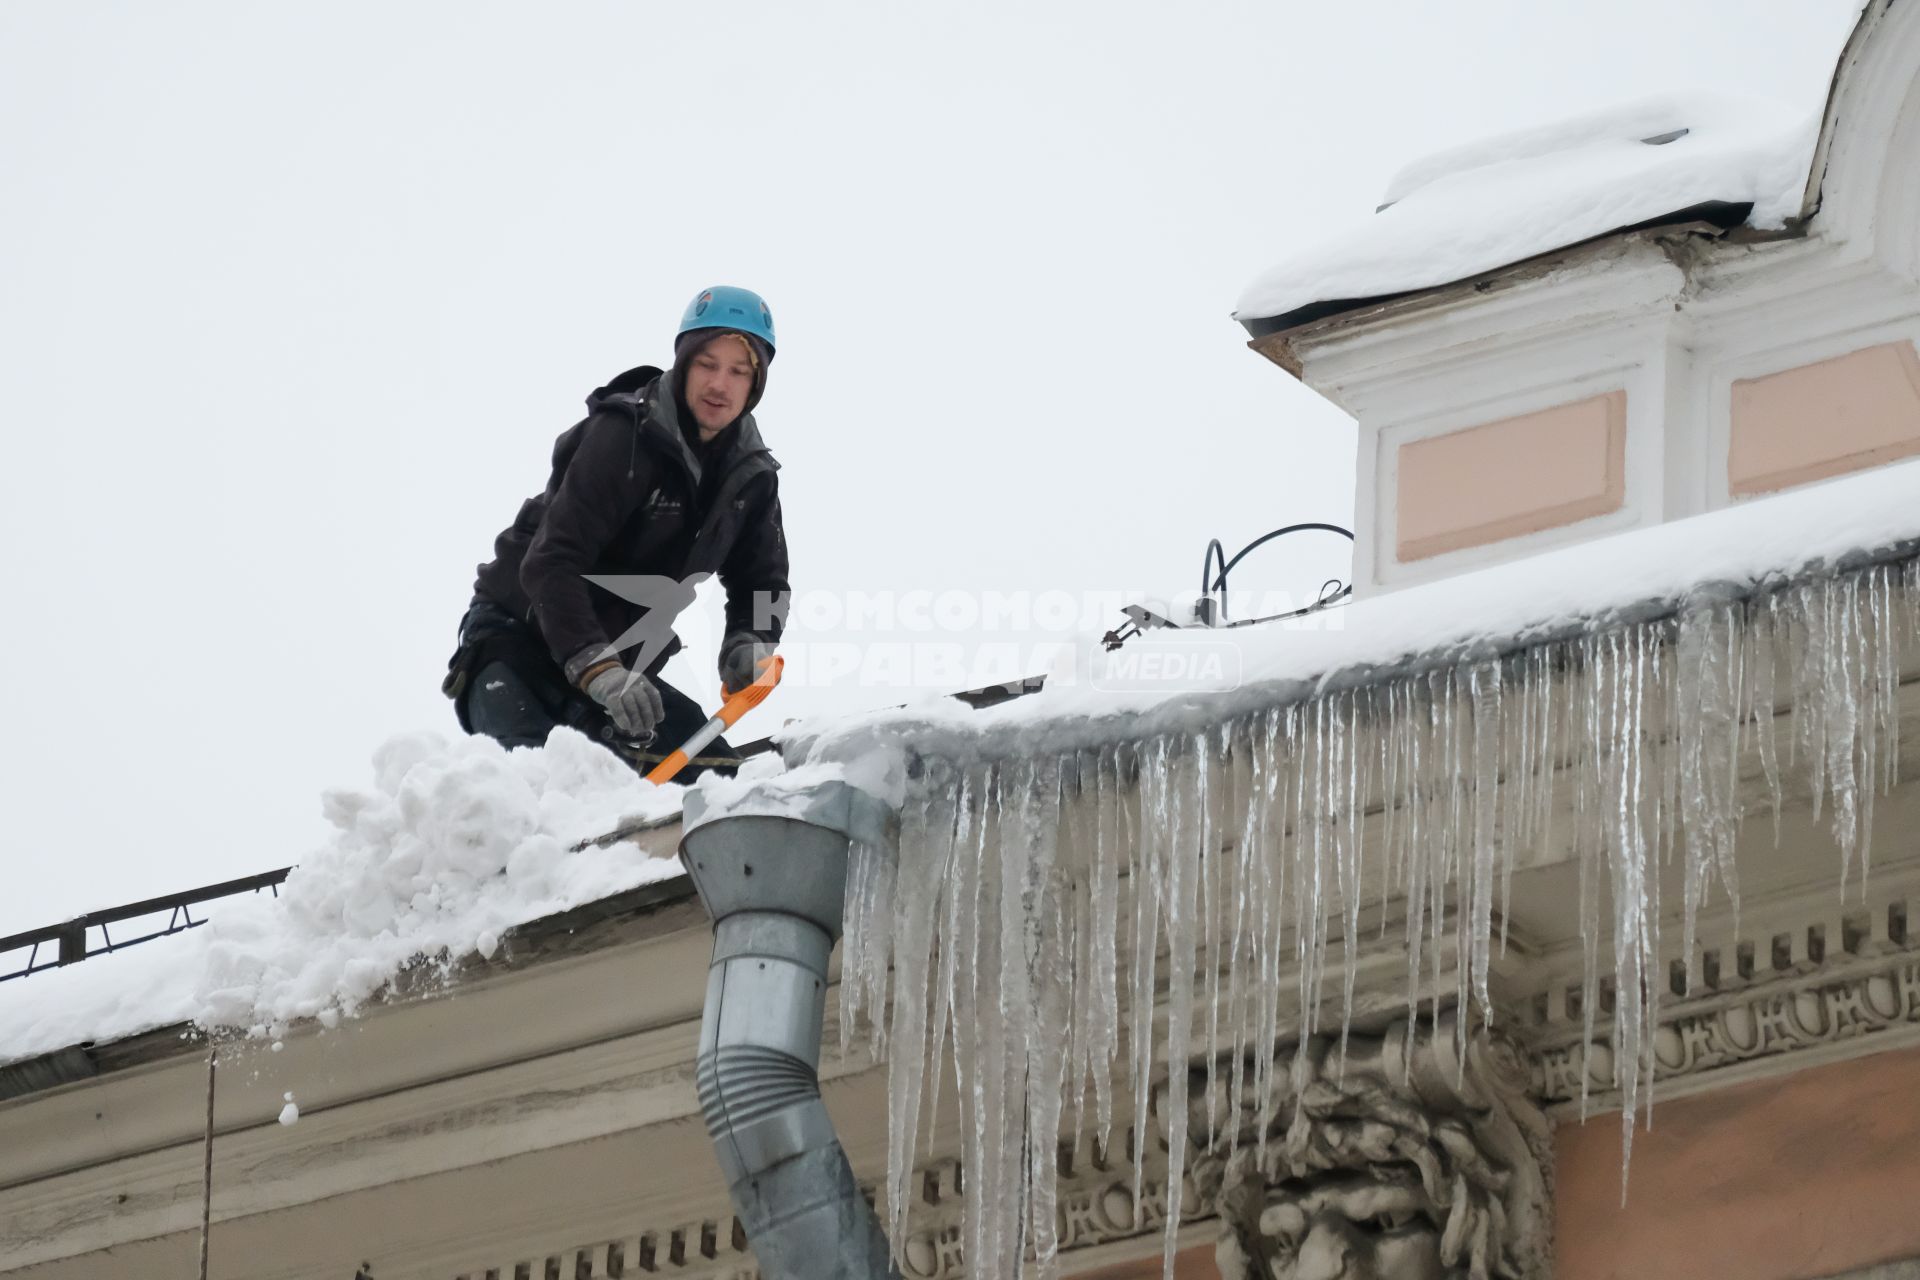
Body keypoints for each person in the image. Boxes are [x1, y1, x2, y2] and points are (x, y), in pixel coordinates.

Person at [443, 286, 789, 778]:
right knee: (535, 802)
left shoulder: (751, 477)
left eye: (739, 371)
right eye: (708, 364)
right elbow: (552, 560)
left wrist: (750, 640)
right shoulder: (625, 436)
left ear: (757, 383)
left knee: (721, 790)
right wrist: (598, 669)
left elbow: (764, 581)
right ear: (684, 361)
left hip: (625, 675)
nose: (720, 384)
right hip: (518, 645)